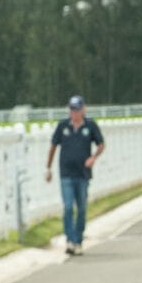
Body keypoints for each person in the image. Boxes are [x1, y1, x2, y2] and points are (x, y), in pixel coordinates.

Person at [45, 95, 105, 256]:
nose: (74, 113)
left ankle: (78, 239)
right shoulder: (63, 126)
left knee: (82, 208)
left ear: (83, 110)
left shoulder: (90, 126)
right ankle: (70, 240)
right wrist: (48, 168)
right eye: (72, 110)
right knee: (68, 207)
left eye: (77, 110)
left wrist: (93, 158)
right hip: (66, 173)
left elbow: (101, 144)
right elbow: (53, 146)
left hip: (83, 174)